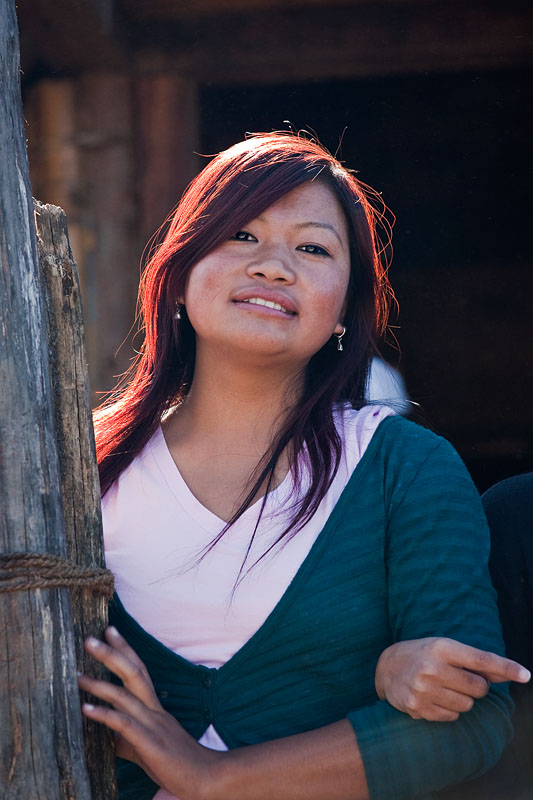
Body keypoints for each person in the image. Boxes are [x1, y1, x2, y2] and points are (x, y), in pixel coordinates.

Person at [77, 133, 529, 800]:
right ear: (179, 271)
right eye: (240, 236)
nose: (273, 266)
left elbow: (474, 719)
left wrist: (214, 778)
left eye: (312, 248)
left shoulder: (403, 467)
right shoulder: (76, 469)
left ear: (346, 307)